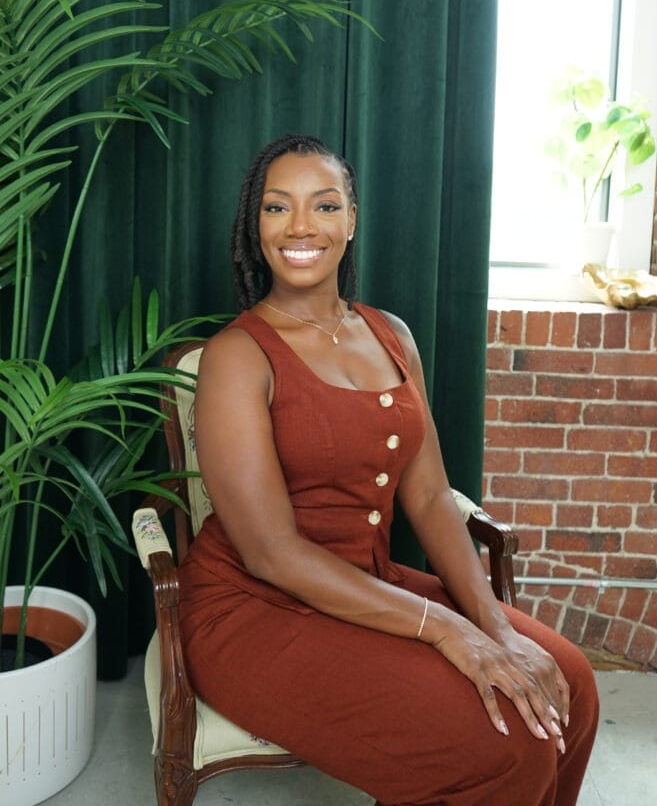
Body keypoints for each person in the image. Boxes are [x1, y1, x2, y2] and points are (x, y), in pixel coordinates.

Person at [178, 133, 598, 806]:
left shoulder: (392, 334)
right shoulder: (237, 356)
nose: (301, 227)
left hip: (366, 585)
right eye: (277, 208)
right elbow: (271, 554)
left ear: (351, 220)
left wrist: (491, 623)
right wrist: (449, 628)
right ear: (255, 227)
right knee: (502, 745)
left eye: (324, 205)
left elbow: (429, 496)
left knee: (571, 680)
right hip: (254, 614)